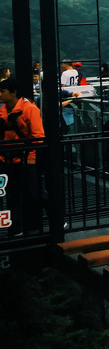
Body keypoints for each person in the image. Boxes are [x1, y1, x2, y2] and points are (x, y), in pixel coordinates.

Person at [0, 77, 46, 234]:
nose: (0, 94)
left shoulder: (30, 109)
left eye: (2, 92)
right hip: (8, 159)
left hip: (26, 159)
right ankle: (15, 228)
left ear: (13, 93)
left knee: (34, 192)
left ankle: (55, 219)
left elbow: (38, 136)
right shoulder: (2, 110)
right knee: (12, 194)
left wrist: (32, 158)